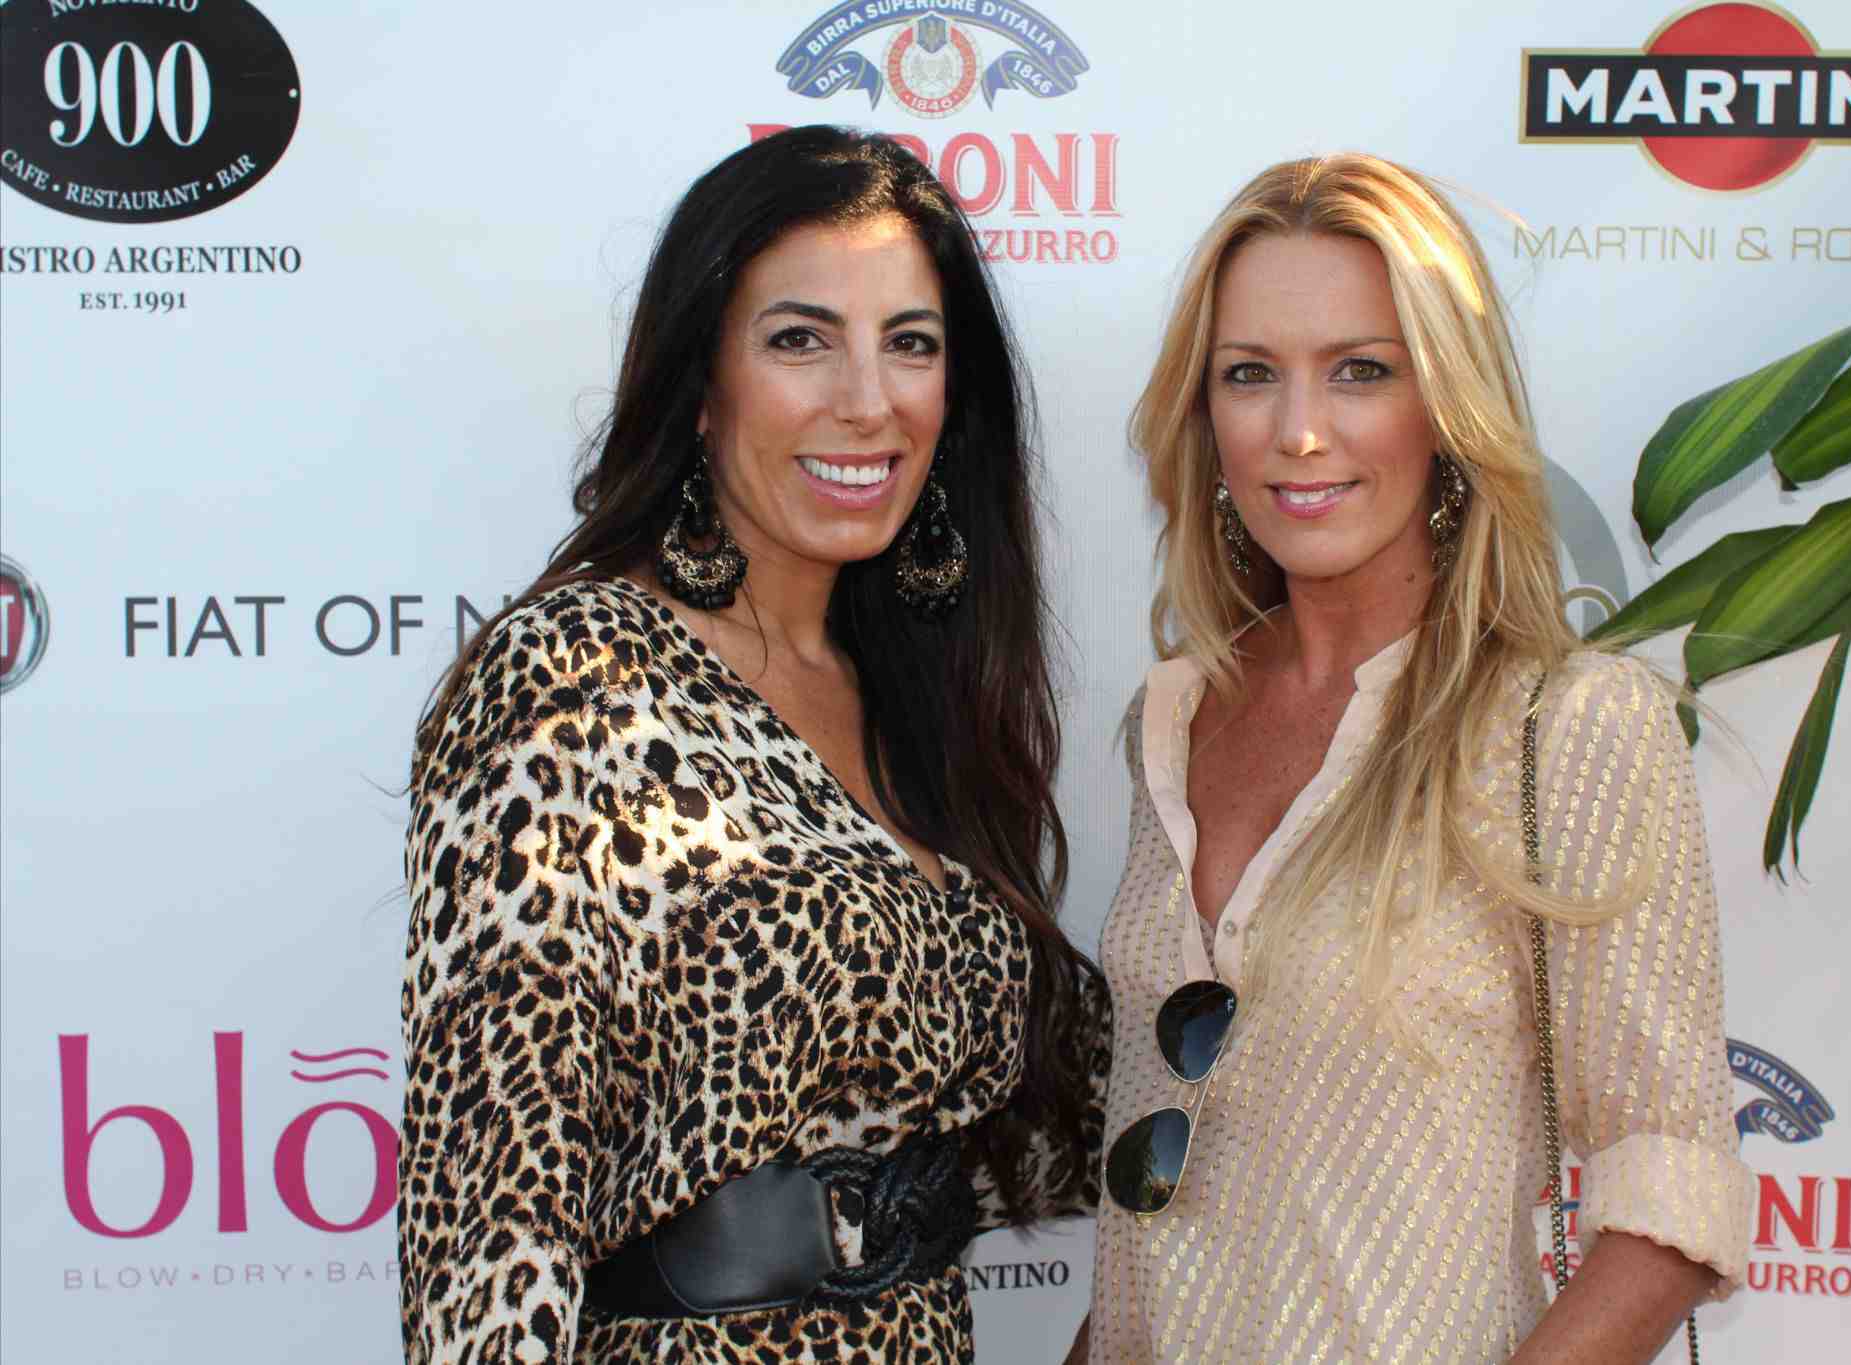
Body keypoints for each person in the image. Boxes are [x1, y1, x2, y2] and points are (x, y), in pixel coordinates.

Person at [400, 125, 1107, 1364]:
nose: (867, 400)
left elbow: (1033, 1128)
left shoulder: (911, 692)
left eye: (910, 343)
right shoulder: (575, 679)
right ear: (701, 385)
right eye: (799, 340)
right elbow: (488, 1222)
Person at [1080, 154, 1753, 1363]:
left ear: (1443, 405)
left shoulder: (1565, 726)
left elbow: (1668, 1191)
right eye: (1248, 374)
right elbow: (1158, 1208)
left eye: (1360, 370)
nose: (1297, 431)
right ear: (1203, 416)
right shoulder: (1171, 718)